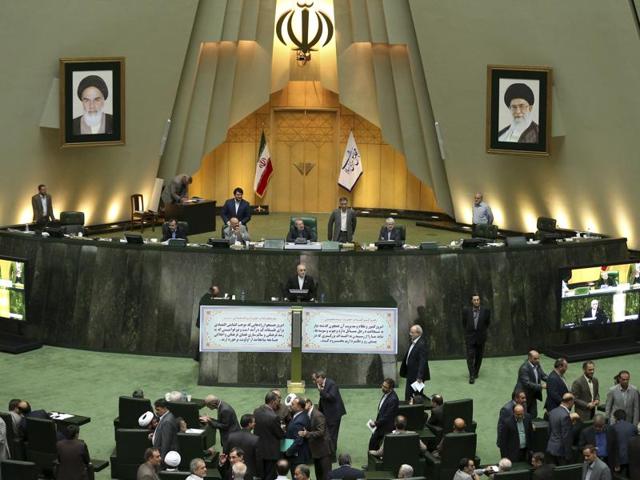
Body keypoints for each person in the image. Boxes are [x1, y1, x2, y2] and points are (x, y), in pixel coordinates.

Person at [253, 391, 285, 480]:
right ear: (272, 401)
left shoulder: (257, 411)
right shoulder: (274, 417)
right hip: (271, 453)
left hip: (259, 450)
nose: (278, 403)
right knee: (270, 476)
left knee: (261, 475)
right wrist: (283, 430)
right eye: (278, 401)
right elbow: (280, 435)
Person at [315, 371, 346, 459]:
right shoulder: (321, 384)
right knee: (328, 434)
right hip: (328, 413)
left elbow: (331, 397)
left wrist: (321, 391)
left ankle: (332, 456)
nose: (316, 381)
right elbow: (323, 399)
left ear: (321, 377)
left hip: (334, 414)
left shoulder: (332, 384)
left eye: (317, 379)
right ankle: (329, 452)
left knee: (332, 435)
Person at [300, 398, 332, 480]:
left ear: (309, 403)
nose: (302, 407)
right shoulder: (308, 413)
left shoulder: (318, 415)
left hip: (323, 450)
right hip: (316, 450)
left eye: (304, 404)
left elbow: (321, 432)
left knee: (326, 476)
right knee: (319, 474)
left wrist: (307, 434)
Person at [461, 293, 491, 383]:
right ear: (472, 301)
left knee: (479, 356)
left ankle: (476, 372)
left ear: (480, 300)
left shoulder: (486, 311)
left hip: (481, 337)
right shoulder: (466, 311)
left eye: (478, 300)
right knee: (470, 357)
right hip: (470, 337)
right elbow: (464, 323)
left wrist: (481, 331)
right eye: (474, 300)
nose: (476, 301)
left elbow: (487, 323)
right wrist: (469, 332)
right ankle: (471, 375)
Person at [225, 414, 262, 480]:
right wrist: (260, 474)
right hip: (249, 474)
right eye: (253, 422)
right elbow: (258, 459)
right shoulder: (255, 439)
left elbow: (226, 454)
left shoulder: (231, 436)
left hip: (233, 472)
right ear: (249, 424)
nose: (255, 423)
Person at [399, 324, 430, 402]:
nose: (410, 334)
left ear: (418, 333)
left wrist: (419, 377)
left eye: (412, 332)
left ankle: (415, 413)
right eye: (410, 332)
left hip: (416, 378)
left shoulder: (421, 344)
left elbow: (423, 362)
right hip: (410, 374)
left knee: (416, 397)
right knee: (408, 396)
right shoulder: (414, 342)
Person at [368, 378, 400, 450]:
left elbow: (387, 417)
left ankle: (374, 457)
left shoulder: (393, 400)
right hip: (381, 424)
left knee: (373, 442)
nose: (382, 388)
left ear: (391, 389)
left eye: (385, 387)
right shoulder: (387, 394)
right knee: (373, 442)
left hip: (385, 427)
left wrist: (376, 423)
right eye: (382, 385)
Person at [516, 350, 548, 418]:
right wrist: (541, 386)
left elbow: (543, 375)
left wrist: (552, 380)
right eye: (535, 359)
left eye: (538, 358)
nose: (538, 360)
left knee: (534, 414)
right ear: (529, 358)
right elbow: (527, 384)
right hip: (523, 396)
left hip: (532, 395)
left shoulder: (537, 365)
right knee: (523, 416)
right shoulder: (524, 368)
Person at [284, 396, 311, 475]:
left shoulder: (300, 421)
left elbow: (298, 441)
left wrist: (288, 452)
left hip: (298, 458)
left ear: (299, 407)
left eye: (292, 404)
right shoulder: (300, 415)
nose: (290, 405)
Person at [546, 393, 575, 465]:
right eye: (573, 402)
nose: (573, 404)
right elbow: (566, 437)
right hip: (561, 451)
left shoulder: (552, 412)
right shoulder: (565, 416)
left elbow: (549, 431)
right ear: (570, 402)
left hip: (551, 447)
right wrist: (568, 455)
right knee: (562, 474)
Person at [608, 410, 637, 475]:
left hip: (618, 460)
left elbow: (611, 446)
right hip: (631, 459)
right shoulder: (633, 427)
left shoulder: (612, 428)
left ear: (615, 418)